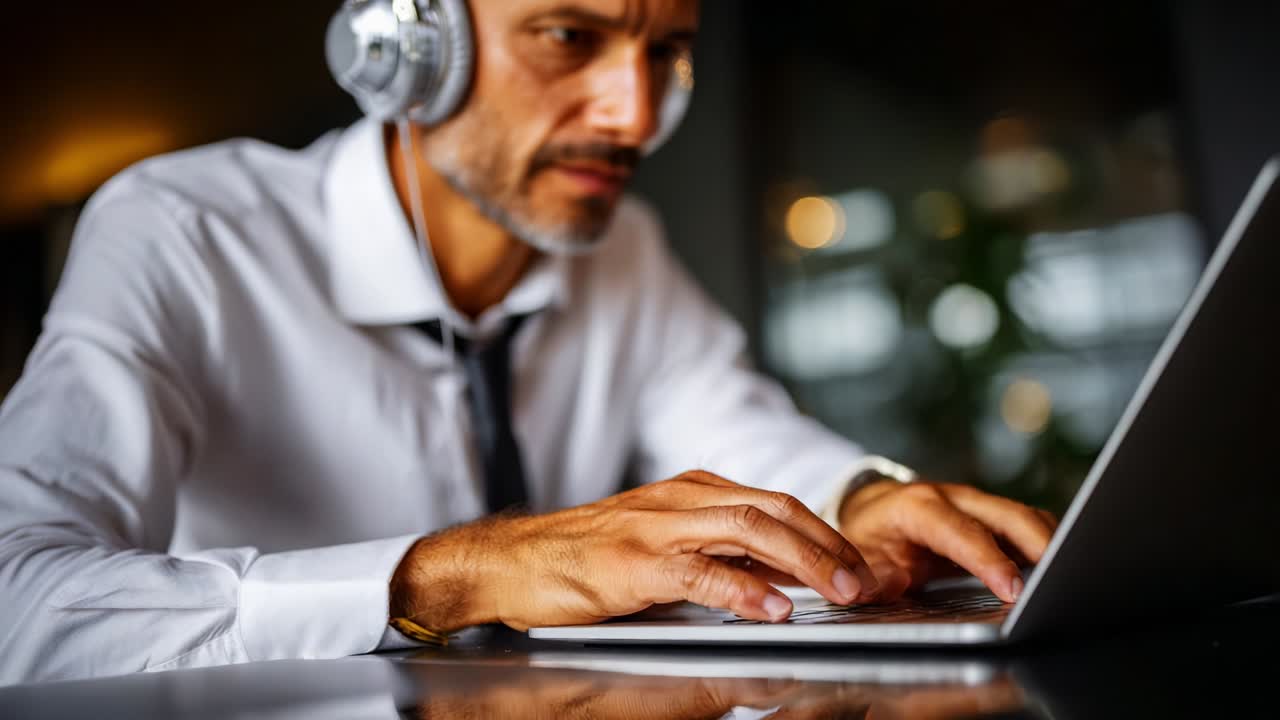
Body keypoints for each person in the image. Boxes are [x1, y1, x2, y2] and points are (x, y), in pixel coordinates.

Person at [0, 0, 1055, 684]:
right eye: (569, 36)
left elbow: (747, 435)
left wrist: (864, 497)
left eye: (666, 50)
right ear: (407, 48)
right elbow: (21, 609)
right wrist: (451, 577)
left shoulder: (623, 250)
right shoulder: (183, 230)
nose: (633, 111)